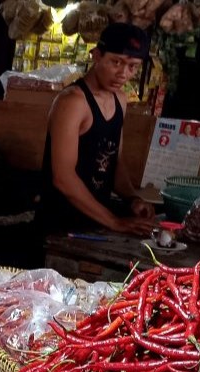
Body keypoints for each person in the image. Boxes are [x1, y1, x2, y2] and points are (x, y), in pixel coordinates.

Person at [37, 23, 157, 236]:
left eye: (132, 66)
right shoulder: (73, 102)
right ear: (96, 55)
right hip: (60, 226)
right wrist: (115, 222)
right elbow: (63, 177)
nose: (123, 73)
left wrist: (132, 198)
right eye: (116, 62)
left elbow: (114, 160)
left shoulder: (120, 100)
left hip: (96, 223)